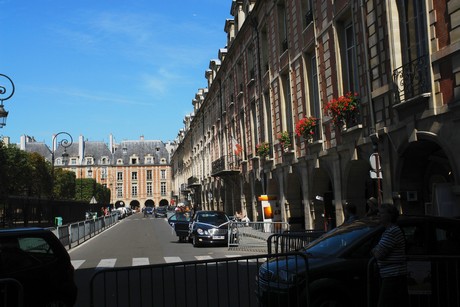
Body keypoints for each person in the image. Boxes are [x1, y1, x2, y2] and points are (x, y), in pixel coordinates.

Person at [371, 204, 408, 307]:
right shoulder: (389, 231)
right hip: (391, 274)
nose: (378, 215)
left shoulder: (392, 231)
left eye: (381, 213)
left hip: (393, 275)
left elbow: (378, 254)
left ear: (390, 216)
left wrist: (374, 250)